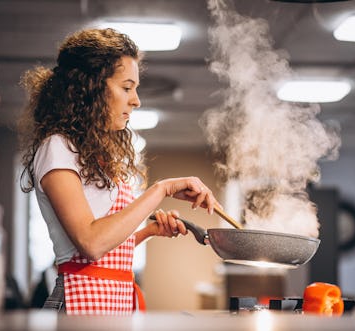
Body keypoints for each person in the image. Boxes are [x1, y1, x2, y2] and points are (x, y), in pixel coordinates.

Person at [17, 28, 220, 315]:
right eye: (126, 88)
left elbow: (102, 253)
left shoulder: (93, 153)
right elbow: (91, 243)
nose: (135, 100)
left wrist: (147, 233)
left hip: (111, 304)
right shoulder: (57, 147)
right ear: (91, 87)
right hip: (79, 305)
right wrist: (161, 189)